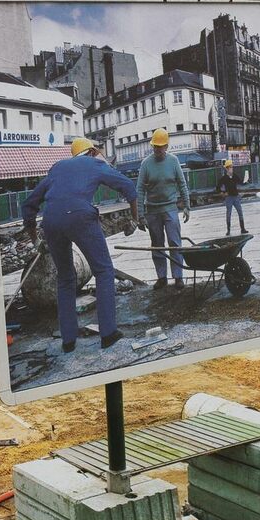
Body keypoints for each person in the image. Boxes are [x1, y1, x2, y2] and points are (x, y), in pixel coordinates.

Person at [21, 137, 139, 353]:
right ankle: (108, 333)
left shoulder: (57, 168)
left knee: (65, 278)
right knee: (103, 271)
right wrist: (135, 218)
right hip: (80, 218)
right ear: (92, 151)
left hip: (51, 222)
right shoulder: (95, 163)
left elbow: (29, 204)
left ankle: (68, 339)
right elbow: (128, 186)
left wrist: (36, 240)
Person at [137, 129, 191, 291]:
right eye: (155, 147)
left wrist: (187, 206)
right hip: (152, 211)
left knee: (175, 242)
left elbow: (182, 184)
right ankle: (161, 277)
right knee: (157, 244)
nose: (158, 150)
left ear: (166, 146)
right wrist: (140, 215)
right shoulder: (146, 164)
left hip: (170, 208)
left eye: (161, 147)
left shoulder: (173, 161)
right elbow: (140, 189)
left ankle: (178, 276)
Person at [215, 160, 248, 236]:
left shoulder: (235, 176)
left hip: (236, 197)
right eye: (230, 167)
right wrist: (222, 193)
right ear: (227, 168)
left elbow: (240, 182)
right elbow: (217, 188)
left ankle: (242, 229)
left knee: (240, 212)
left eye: (232, 167)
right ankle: (228, 230)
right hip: (229, 198)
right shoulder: (224, 178)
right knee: (228, 214)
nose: (232, 169)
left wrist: (245, 181)